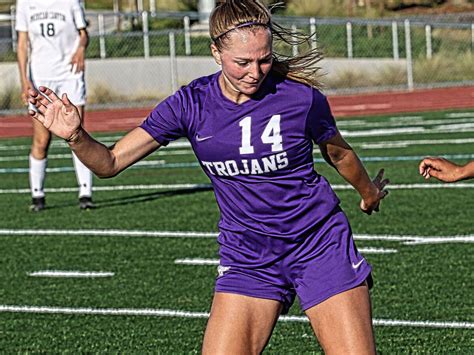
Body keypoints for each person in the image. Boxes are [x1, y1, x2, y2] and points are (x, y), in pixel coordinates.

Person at [27, 0, 389, 352]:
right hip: (249, 255)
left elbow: (338, 152)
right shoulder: (190, 104)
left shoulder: (301, 98)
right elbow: (109, 163)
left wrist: (368, 191)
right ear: (215, 52)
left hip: (318, 245)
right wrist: (76, 136)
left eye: (265, 60)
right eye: (242, 62)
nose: (256, 72)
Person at [16, 0, 94, 211]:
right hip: (40, 77)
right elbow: (22, 44)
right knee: (42, 139)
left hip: (70, 74)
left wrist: (80, 48)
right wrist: (24, 80)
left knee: (76, 132)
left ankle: (85, 192)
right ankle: (37, 195)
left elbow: (84, 34)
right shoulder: (25, 4)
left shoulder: (71, 2)